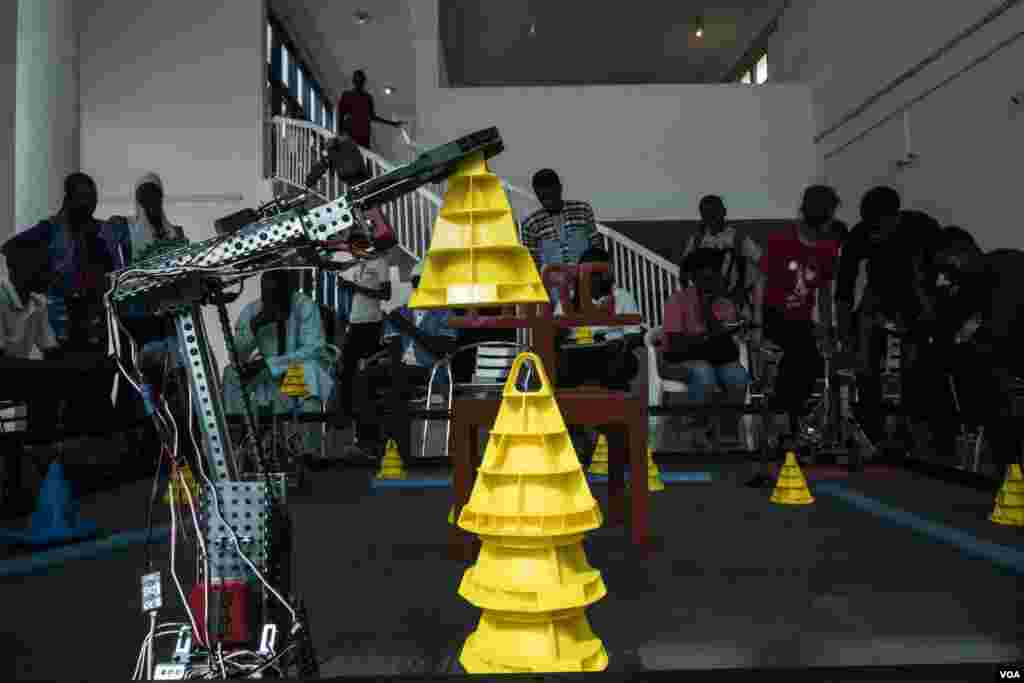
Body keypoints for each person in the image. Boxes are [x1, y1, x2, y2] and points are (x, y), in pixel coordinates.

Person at [1, 172, 129, 436]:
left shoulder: (98, 230)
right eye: (85, 199)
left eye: (93, 200)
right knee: (58, 387)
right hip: (60, 324)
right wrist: (44, 275)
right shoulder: (49, 229)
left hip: (91, 324)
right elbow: (10, 248)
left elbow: (117, 265)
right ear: (69, 199)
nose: (90, 206)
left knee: (90, 385)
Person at [748, 185, 842, 486]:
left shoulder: (828, 248)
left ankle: (792, 428)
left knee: (810, 364)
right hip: (775, 316)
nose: (826, 215)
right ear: (807, 208)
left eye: (829, 210)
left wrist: (827, 329)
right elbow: (760, 282)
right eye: (821, 208)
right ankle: (782, 433)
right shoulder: (780, 240)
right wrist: (759, 325)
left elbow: (825, 293)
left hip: (802, 320)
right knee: (784, 371)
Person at [835, 187, 941, 449]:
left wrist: (928, 317)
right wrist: (846, 336)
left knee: (914, 366)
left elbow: (939, 277)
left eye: (880, 229)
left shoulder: (922, 227)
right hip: (878, 299)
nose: (876, 235)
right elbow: (844, 290)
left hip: (915, 298)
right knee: (864, 361)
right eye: (871, 229)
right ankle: (873, 429)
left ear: (895, 216)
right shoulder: (860, 234)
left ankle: (913, 428)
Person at [912, 229, 1024, 469]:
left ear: (961, 256)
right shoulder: (965, 286)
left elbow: (995, 335)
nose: (941, 280)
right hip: (1003, 367)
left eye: (944, 269)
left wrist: (965, 334)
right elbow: (943, 333)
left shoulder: (1008, 270)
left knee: (1000, 391)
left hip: (1012, 364)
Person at [346, 262, 459, 460]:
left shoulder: (445, 313)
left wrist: (408, 328)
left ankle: (399, 451)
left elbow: (442, 350)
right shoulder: (402, 311)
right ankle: (367, 442)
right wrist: (389, 361)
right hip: (401, 368)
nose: (419, 287)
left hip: (429, 370)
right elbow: (394, 348)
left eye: (424, 282)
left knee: (395, 389)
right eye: (416, 282)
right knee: (364, 378)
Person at [222, 270, 336, 454]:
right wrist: (255, 325)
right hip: (268, 375)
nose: (273, 301)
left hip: (297, 370)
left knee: (308, 372)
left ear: (290, 291)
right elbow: (235, 356)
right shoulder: (253, 311)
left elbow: (313, 350)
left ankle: (308, 453)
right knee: (231, 374)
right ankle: (239, 444)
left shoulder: (305, 306)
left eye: (278, 295)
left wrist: (270, 364)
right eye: (268, 295)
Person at [661, 248, 751, 402]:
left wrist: (709, 308)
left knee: (738, 376)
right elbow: (676, 345)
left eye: (714, 275)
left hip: (715, 359)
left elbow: (728, 345)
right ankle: (700, 422)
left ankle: (729, 423)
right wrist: (710, 339)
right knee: (704, 372)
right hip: (677, 361)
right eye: (705, 277)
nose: (712, 281)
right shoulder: (677, 301)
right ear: (694, 277)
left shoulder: (725, 304)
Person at [554, 247, 643, 392]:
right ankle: (568, 408)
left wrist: (621, 343)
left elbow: (634, 334)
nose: (594, 278)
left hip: (610, 352)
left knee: (622, 362)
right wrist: (560, 329)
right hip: (576, 353)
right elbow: (557, 335)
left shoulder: (622, 296)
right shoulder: (568, 298)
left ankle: (618, 408)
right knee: (559, 364)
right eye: (588, 273)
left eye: (597, 273)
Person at [676, 195, 764, 320]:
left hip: (733, 302)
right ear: (702, 215)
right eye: (706, 213)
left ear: (723, 212)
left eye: (714, 212)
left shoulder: (738, 238)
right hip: (704, 304)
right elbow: (684, 271)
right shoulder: (696, 240)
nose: (711, 217)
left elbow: (761, 262)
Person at [521, 169, 602, 300]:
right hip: (554, 292)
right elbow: (531, 266)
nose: (547, 202)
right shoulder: (531, 224)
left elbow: (597, 250)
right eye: (542, 198)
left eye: (550, 196)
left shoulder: (582, 210)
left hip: (587, 286)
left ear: (560, 188)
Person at [334, 249, 391, 429]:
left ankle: (368, 422)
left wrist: (355, 288)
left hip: (371, 324)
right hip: (355, 322)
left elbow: (385, 294)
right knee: (345, 369)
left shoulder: (381, 262)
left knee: (366, 371)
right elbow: (339, 267)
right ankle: (347, 415)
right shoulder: (357, 262)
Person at [335, 70, 404, 150]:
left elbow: (372, 117)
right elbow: (341, 114)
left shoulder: (367, 97)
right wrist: (339, 134)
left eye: (361, 80)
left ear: (363, 82)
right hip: (351, 131)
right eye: (357, 80)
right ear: (353, 81)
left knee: (364, 155)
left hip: (363, 133)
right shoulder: (347, 95)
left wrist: (392, 123)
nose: (359, 82)